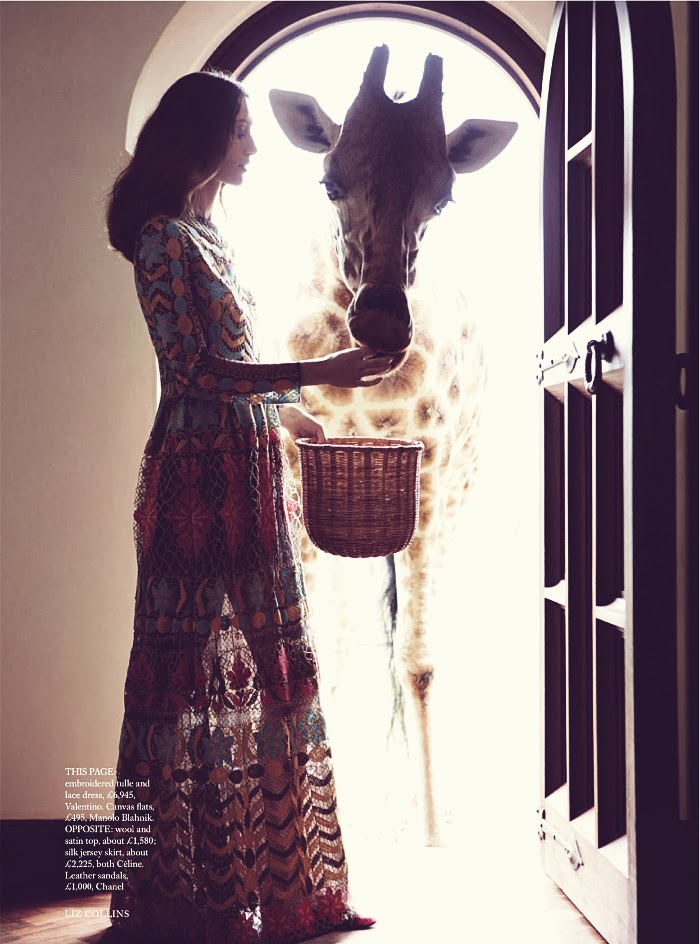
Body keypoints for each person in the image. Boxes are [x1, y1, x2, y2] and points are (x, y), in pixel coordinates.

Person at [105, 70, 390, 944]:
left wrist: (294, 415)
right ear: (204, 138)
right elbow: (192, 373)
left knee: (279, 666)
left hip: (250, 467)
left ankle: (298, 893)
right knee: (175, 678)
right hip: (194, 479)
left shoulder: (211, 235)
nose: (254, 145)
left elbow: (231, 369)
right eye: (241, 130)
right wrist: (315, 372)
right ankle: (171, 897)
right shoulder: (160, 239)